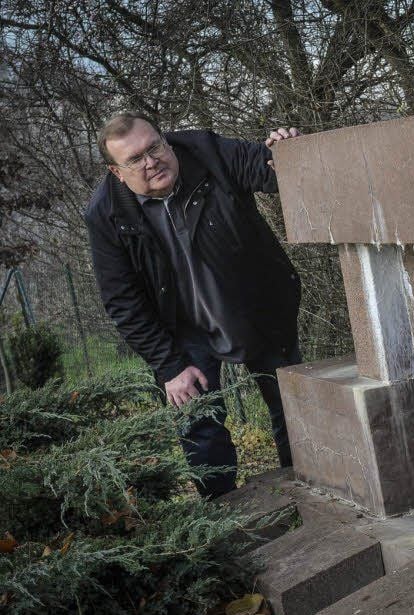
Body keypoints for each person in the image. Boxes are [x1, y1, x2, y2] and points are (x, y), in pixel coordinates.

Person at [85, 113, 303, 497]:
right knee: (199, 428)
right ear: (117, 173)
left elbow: (267, 170)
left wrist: (287, 151)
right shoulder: (106, 215)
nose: (151, 161)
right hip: (180, 331)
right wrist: (169, 366)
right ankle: (227, 524)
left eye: (154, 147)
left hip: (254, 305)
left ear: (166, 141)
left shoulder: (207, 152)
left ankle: (311, 498)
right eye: (135, 159)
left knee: (294, 408)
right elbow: (123, 300)